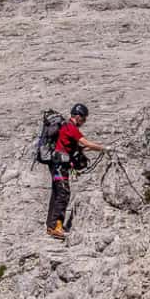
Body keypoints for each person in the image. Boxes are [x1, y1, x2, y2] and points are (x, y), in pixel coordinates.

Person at [46, 103, 107, 240]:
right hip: (60, 166)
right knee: (63, 193)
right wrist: (103, 148)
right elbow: (86, 143)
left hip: (57, 165)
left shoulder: (66, 127)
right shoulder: (71, 128)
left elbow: (76, 148)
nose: (84, 122)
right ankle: (57, 226)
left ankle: (51, 226)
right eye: (84, 119)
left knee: (57, 194)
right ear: (78, 117)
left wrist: (89, 149)